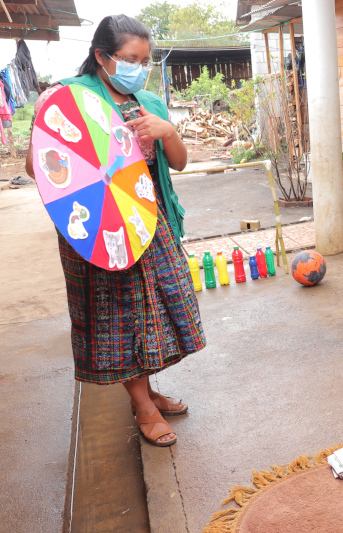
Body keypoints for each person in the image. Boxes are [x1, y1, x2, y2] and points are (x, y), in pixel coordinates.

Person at [25, 15, 204, 447]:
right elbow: (37, 167)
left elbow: (177, 163)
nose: (139, 67)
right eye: (130, 59)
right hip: (97, 221)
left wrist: (168, 131)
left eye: (145, 60)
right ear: (102, 56)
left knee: (155, 307)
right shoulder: (65, 99)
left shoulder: (149, 103)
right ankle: (142, 405)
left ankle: (150, 391)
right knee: (117, 314)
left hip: (147, 214)